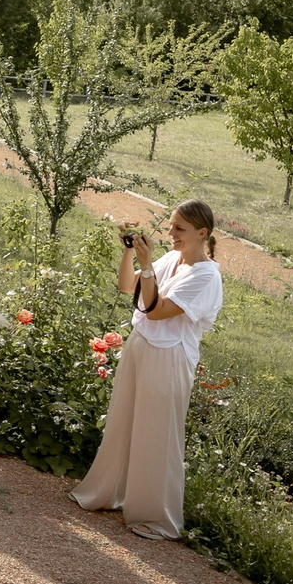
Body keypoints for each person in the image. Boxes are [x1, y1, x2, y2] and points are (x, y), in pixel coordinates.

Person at [71, 201, 225, 541]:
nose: (170, 234)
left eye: (179, 229)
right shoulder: (171, 259)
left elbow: (156, 311)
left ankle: (157, 517)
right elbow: (129, 287)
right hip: (140, 345)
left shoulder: (206, 276)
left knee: (157, 437)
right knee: (123, 423)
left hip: (169, 358)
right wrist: (129, 253)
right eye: (171, 226)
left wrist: (146, 265)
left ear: (202, 234)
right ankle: (107, 493)